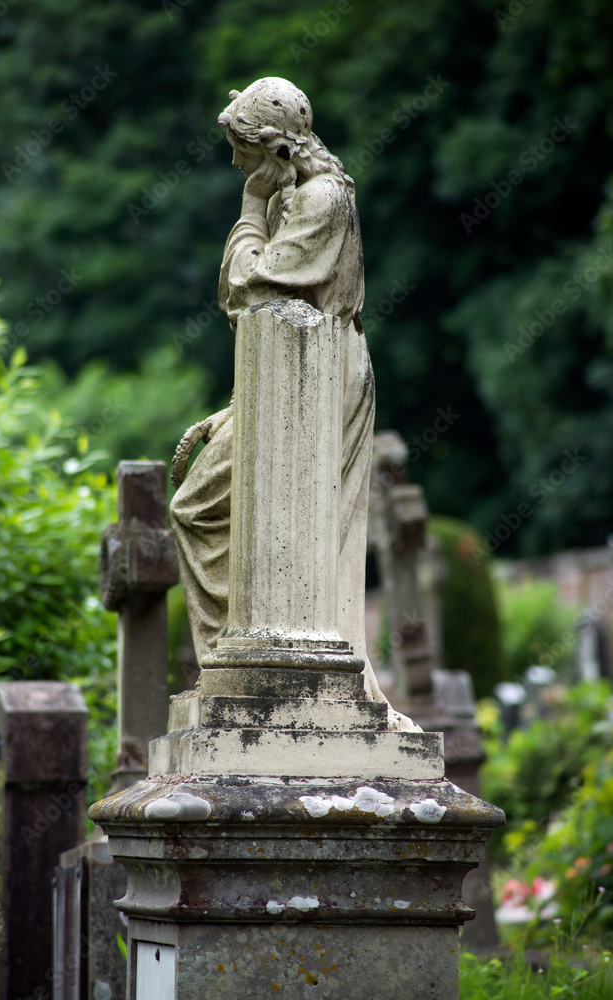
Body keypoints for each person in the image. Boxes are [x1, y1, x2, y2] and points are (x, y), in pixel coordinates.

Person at [170, 77, 416, 730]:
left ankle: (268, 671)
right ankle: (234, 666)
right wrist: (234, 407)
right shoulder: (292, 197)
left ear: (274, 150)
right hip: (282, 370)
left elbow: (248, 290)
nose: (233, 163)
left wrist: (249, 213)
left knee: (239, 516)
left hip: (321, 374)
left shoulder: (322, 197)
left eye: (240, 149)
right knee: (199, 507)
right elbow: (258, 313)